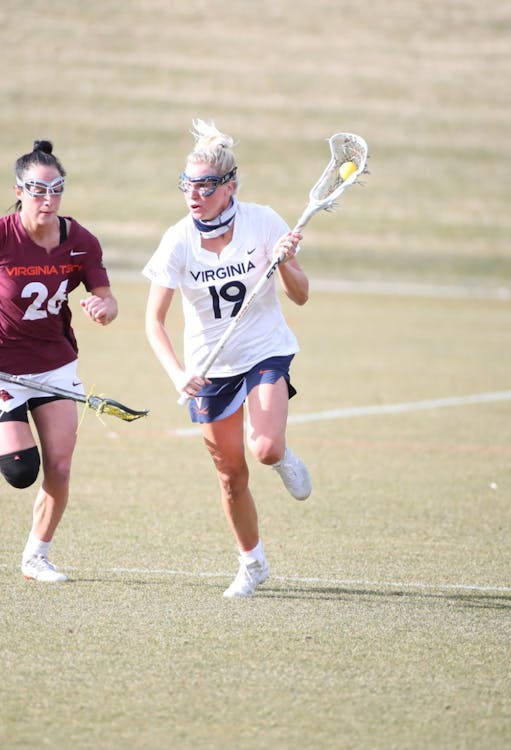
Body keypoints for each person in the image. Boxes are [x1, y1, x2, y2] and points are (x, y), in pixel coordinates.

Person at [143, 120, 313, 598]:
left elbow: (300, 297)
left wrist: (286, 264)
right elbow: (153, 321)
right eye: (187, 185)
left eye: (204, 186)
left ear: (229, 186)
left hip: (264, 351)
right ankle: (252, 563)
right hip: (209, 366)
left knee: (265, 449)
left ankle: (283, 457)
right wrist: (179, 375)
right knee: (230, 475)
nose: (193, 194)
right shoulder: (178, 239)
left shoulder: (262, 221)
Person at [0, 139, 118, 583]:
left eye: (56, 189)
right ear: (19, 190)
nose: (47, 199)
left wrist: (103, 309)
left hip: (55, 365)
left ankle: (36, 556)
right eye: (37, 190)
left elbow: (107, 298)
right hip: (0, 366)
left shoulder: (80, 241)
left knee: (59, 465)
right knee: (22, 471)